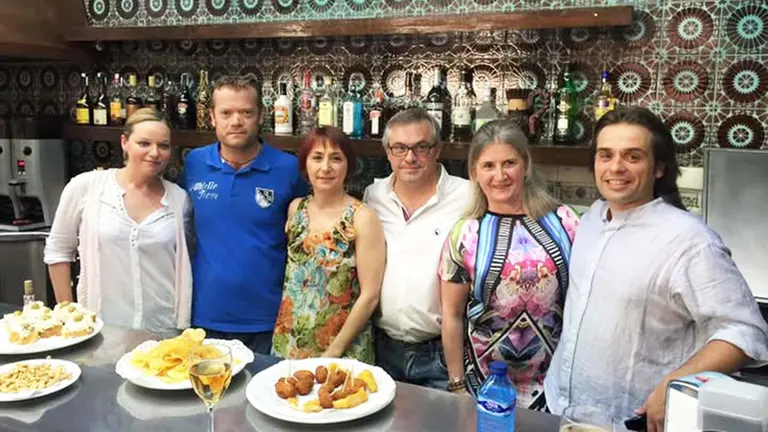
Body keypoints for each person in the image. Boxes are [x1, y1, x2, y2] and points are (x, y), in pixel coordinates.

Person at [544, 106, 768, 431]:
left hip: (628, 420)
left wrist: (675, 383)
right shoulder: (592, 219)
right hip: (560, 409)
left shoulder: (689, 241)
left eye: (632, 156)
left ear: (658, 168)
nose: (615, 167)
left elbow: (746, 332)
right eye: (605, 155)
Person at [438, 120, 579, 407]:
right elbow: (451, 315)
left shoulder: (566, 222)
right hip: (484, 387)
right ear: (474, 172)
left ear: (525, 166)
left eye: (509, 163)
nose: (500, 175)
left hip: (555, 388)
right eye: (488, 165)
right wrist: (457, 387)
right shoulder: (464, 235)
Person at [180, 75, 308, 354]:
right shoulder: (195, 163)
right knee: (210, 396)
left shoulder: (288, 168)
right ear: (212, 117)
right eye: (226, 113)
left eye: (245, 112)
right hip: (203, 316)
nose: (236, 121)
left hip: (269, 320)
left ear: (261, 115)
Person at [44, 108, 193, 332]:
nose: (154, 153)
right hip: (100, 328)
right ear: (124, 142)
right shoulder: (86, 187)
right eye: (144, 143)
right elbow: (58, 251)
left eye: (163, 145)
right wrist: (68, 315)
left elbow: (185, 259)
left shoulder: (179, 199)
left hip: (164, 329)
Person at [364, 108, 470, 389]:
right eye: (400, 148)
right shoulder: (373, 197)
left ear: (438, 149)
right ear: (387, 152)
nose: (410, 158)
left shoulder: (468, 197)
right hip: (382, 351)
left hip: (441, 354)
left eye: (421, 147)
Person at [271, 127, 385, 363]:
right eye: (317, 157)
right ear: (305, 165)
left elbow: (370, 296)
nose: (325, 167)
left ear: (348, 166)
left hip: (342, 349)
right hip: (290, 342)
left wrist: (333, 352)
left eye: (336, 158)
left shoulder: (362, 217)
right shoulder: (296, 208)